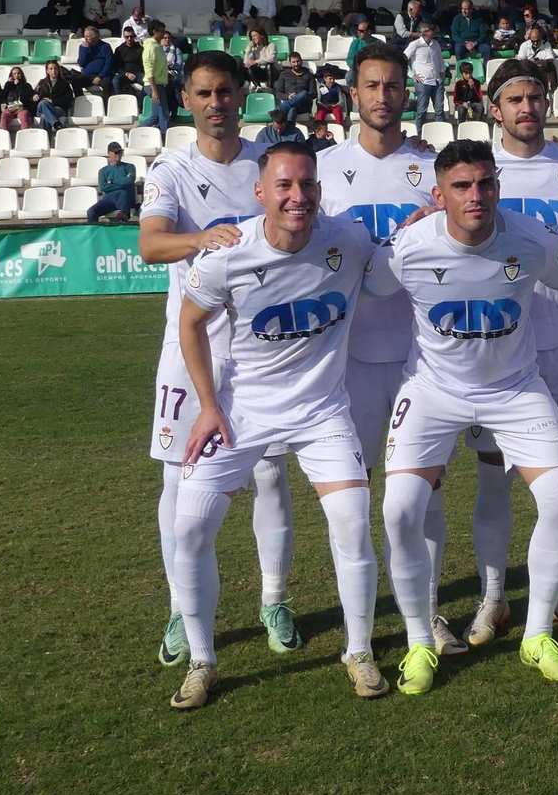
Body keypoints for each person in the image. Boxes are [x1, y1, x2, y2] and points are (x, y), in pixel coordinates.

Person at [170, 140, 386, 710]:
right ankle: (202, 660)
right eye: (285, 186)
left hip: (321, 412)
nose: (298, 196)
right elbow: (190, 326)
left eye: (307, 184)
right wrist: (209, 406)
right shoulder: (227, 254)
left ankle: (358, 651)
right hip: (241, 413)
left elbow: (397, 257)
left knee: (351, 518)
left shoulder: (348, 239)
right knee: (190, 526)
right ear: (261, 192)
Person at [365, 138, 558, 691]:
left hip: (515, 388)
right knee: (399, 510)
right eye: (461, 186)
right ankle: (420, 640)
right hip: (433, 390)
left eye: (486, 183)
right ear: (439, 195)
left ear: (497, 186)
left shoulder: (533, 238)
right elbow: (366, 286)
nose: (476, 196)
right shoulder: (409, 246)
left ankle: (538, 634)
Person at [137, 49, 299, 675]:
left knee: (269, 475)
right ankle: (183, 606)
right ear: (187, 99)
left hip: (263, 344)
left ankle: (275, 599)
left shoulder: (269, 164)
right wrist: (199, 238)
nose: (215, 103)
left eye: (225, 91)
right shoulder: (171, 169)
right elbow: (151, 243)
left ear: (241, 94)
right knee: (179, 478)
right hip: (192, 345)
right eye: (203, 93)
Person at [457, 59, 558, 646]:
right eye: (514, 99)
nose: (527, 108)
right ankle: (493, 597)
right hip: (493, 350)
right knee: (493, 476)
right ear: (495, 109)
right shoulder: (479, 172)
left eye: (536, 97)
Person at [314, 41, 460, 654]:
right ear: (355, 94)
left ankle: (426, 614)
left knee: (423, 487)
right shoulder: (321, 169)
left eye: (393, 86)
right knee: (355, 490)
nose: (382, 96)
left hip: (421, 355)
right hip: (346, 357)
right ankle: (364, 617)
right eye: (371, 86)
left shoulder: (432, 167)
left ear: (408, 92)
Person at [404, 21, 447, 125]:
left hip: (437, 81)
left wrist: (442, 71)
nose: (435, 31)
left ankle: (440, 133)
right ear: (426, 32)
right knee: (422, 112)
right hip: (423, 82)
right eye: (432, 29)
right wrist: (411, 74)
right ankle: (419, 135)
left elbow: (440, 59)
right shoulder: (415, 44)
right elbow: (402, 59)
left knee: (439, 111)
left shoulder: (435, 44)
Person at [87, 141, 138, 223]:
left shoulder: (129, 167)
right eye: (115, 152)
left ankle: (124, 215)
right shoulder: (103, 171)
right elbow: (103, 187)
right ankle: (93, 233)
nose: (118, 154)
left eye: (120, 152)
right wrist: (123, 183)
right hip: (109, 199)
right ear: (109, 153)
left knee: (123, 194)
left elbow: (130, 180)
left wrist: (112, 182)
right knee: (91, 212)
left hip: (124, 198)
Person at [273, 52, 315, 125]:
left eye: (298, 61)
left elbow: (314, 94)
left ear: (301, 61)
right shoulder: (284, 75)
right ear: (290, 63)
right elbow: (278, 93)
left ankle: (281, 110)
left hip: (304, 104)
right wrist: (288, 97)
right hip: (290, 102)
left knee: (304, 93)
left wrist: (299, 96)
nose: (296, 64)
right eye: (293, 62)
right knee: (292, 109)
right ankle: (290, 129)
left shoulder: (309, 75)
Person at [34, 60, 73, 134]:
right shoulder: (42, 83)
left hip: (58, 108)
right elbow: (34, 94)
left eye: (55, 68)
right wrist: (34, 96)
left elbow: (68, 99)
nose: (54, 71)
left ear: (58, 70)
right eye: (51, 69)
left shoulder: (64, 84)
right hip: (41, 108)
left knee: (44, 117)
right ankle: (56, 123)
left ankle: (45, 141)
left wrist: (53, 101)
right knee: (43, 103)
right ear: (47, 71)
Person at [451, 0, 491, 66]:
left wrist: (474, 43)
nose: (464, 11)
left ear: (471, 9)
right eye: (462, 8)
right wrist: (466, 43)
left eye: (466, 9)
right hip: (463, 43)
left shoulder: (479, 19)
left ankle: (486, 71)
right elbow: (454, 35)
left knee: (487, 48)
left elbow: (483, 34)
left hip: (476, 43)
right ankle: (461, 71)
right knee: (458, 49)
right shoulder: (457, 18)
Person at [76, 25, 114, 92]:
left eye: (88, 36)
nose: (85, 38)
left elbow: (109, 63)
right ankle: (81, 100)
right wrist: (85, 50)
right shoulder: (83, 47)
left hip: (103, 75)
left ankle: (107, 102)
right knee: (76, 82)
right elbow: (81, 63)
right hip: (88, 75)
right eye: (84, 36)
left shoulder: (105, 46)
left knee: (107, 84)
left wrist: (100, 76)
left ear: (95, 37)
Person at [0, 66, 35, 132]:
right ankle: (4, 135)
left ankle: (25, 135)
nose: (17, 75)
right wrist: (8, 84)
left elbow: (28, 97)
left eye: (18, 74)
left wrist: (20, 85)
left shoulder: (27, 86)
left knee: (24, 115)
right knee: (4, 115)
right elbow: (3, 96)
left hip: (22, 108)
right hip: (11, 108)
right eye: (14, 74)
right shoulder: (8, 85)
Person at [112, 26, 146, 97]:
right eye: (127, 37)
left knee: (148, 83)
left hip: (139, 73)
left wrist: (142, 44)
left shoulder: (140, 47)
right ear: (124, 37)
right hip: (126, 74)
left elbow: (148, 58)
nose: (129, 39)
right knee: (115, 80)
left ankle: (139, 104)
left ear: (135, 36)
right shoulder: (119, 49)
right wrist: (127, 74)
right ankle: (120, 101)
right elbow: (117, 66)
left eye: (131, 36)